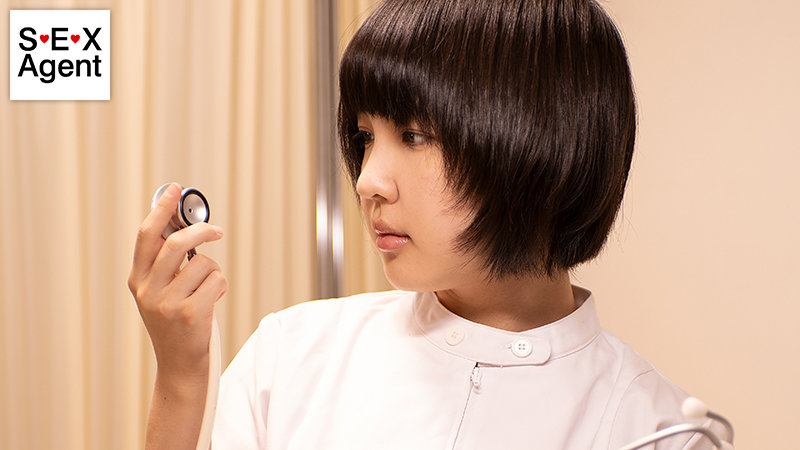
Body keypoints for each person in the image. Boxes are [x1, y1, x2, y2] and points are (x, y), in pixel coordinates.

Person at [129, 0, 713, 448]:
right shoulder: (291, 356)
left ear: (539, 143)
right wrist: (181, 378)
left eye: (412, 135)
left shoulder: (659, 431)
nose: (367, 181)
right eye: (365, 136)